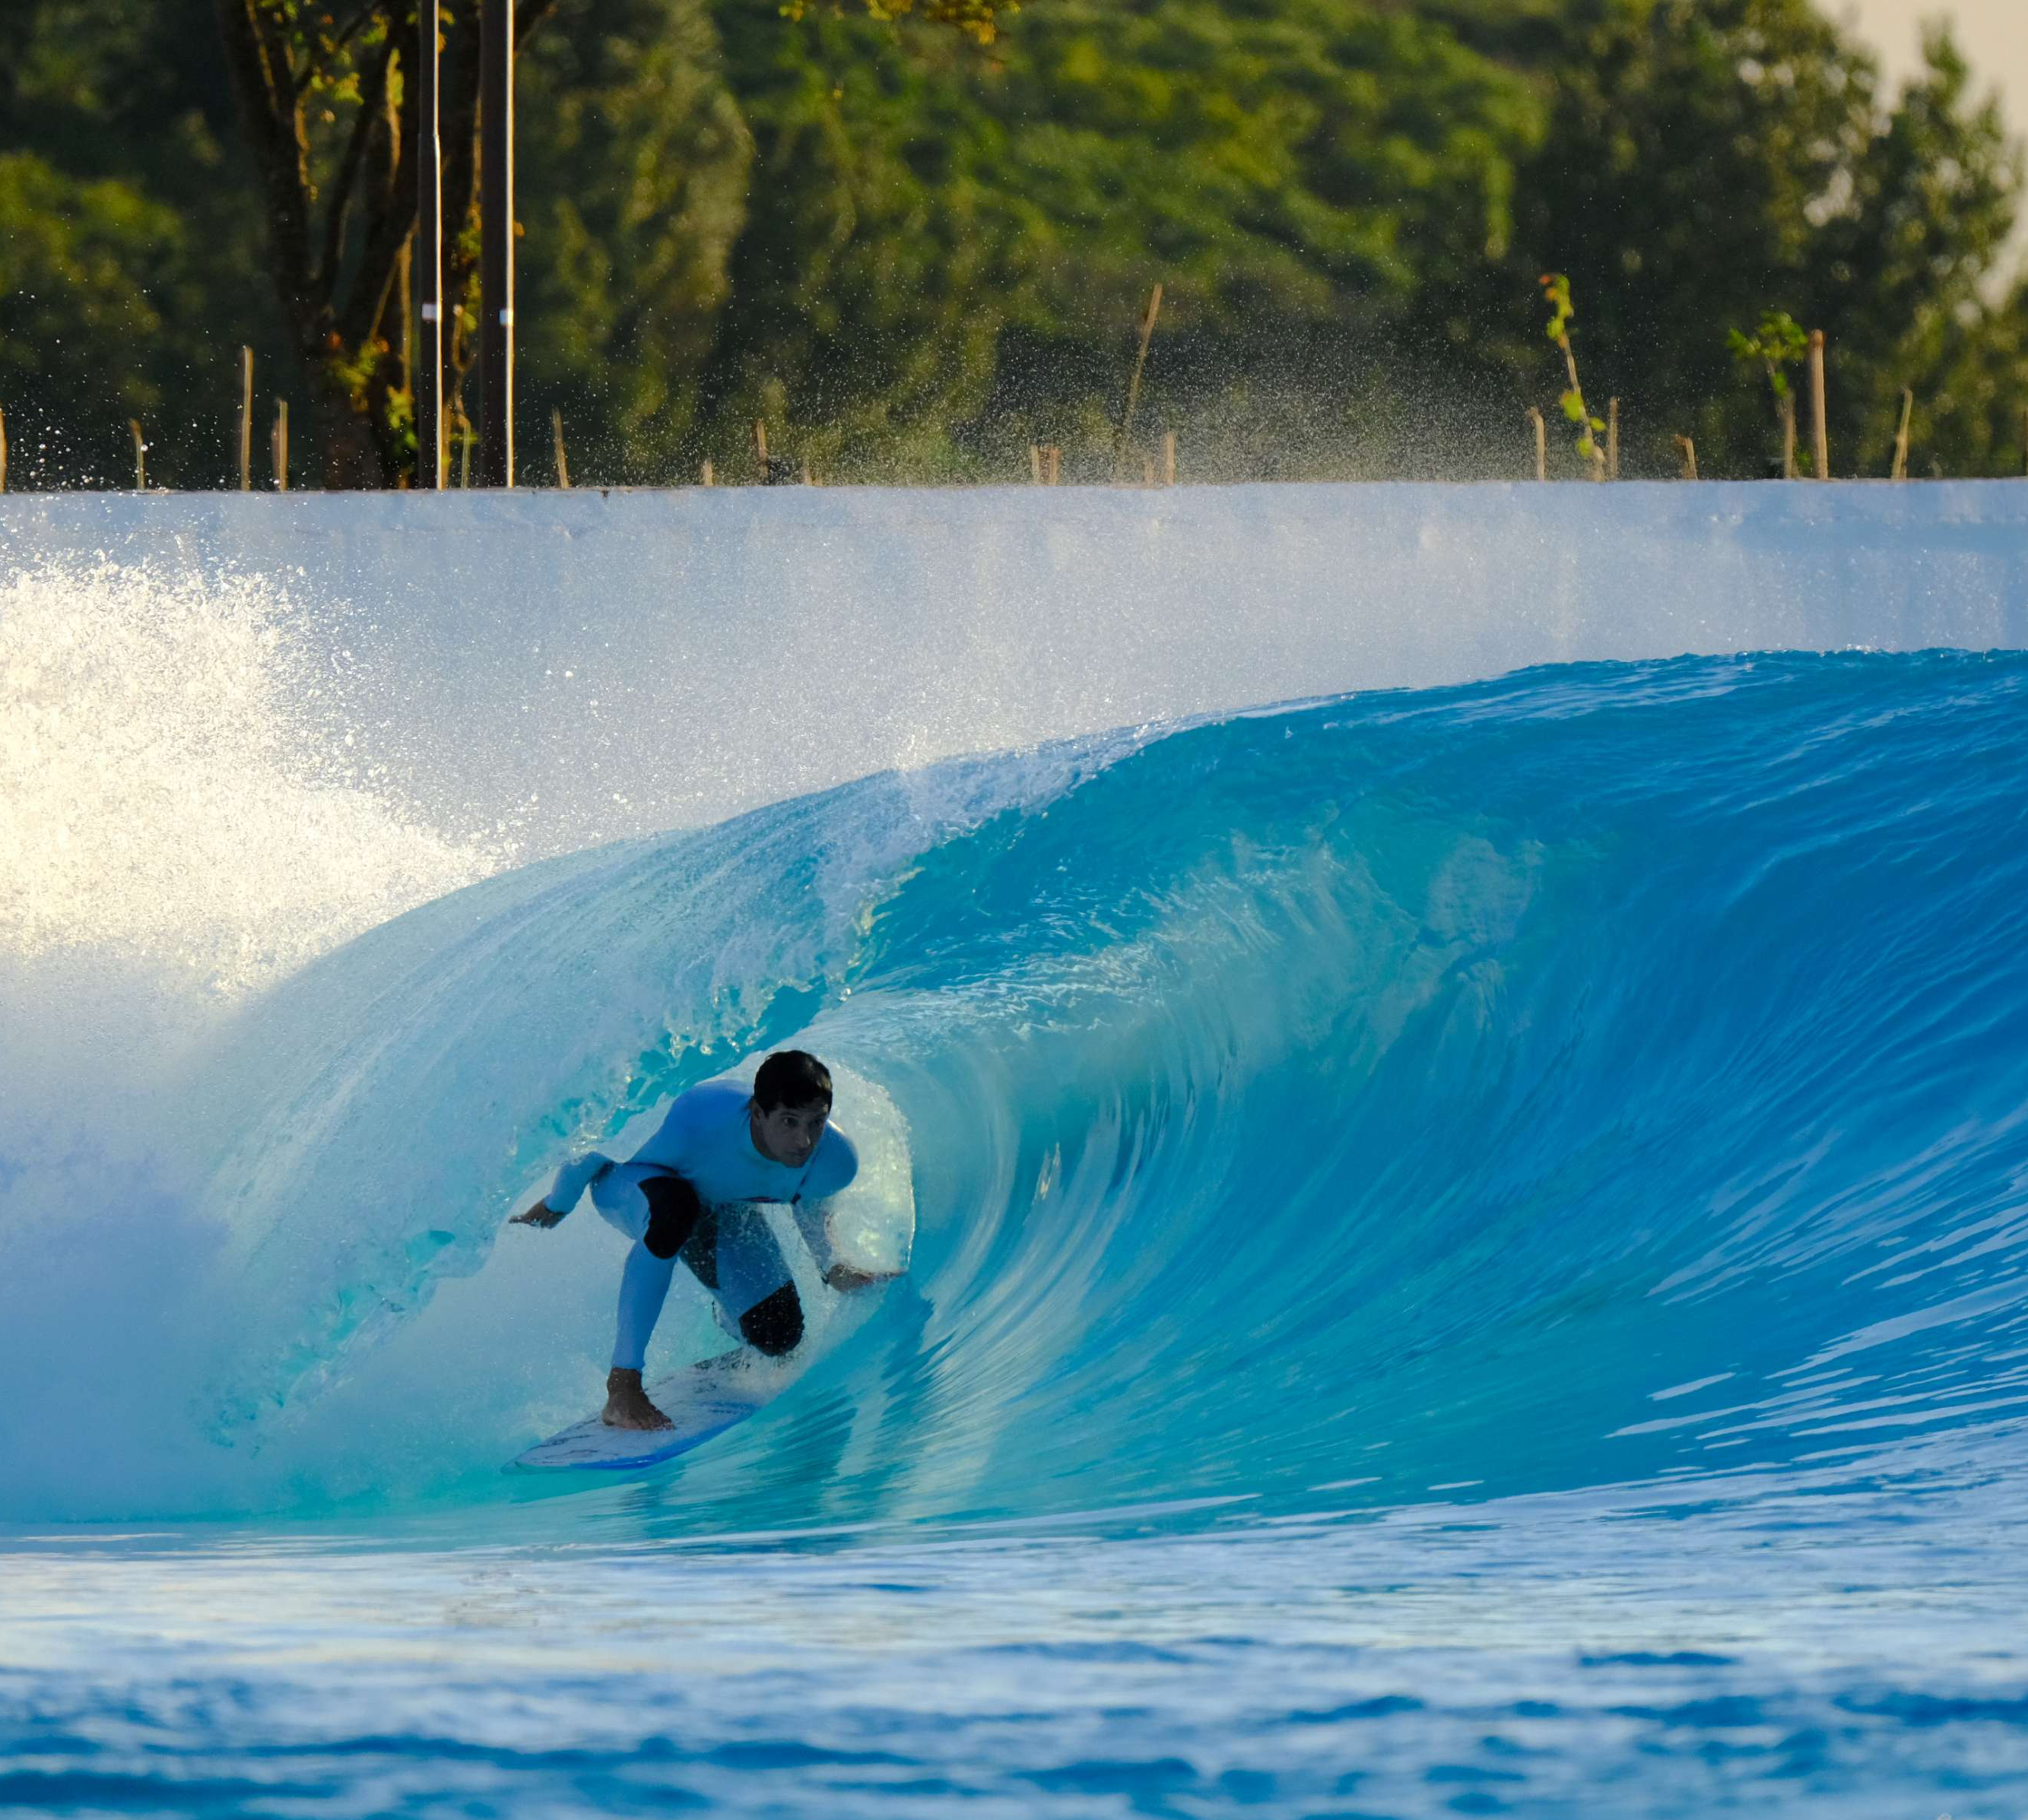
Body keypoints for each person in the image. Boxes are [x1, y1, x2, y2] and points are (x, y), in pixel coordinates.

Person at [511, 1049, 887, 1431]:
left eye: (816, 1123)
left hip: (715, 1205)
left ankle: (732, 1313)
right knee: (675, 1210)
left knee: (779, 1337)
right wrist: (558, 1203)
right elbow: (597, 1143)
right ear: (758, 1113)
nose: (804, 1140)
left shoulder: (834, 1160)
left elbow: (807, 1202)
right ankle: (623, 1387)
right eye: (789, 1122)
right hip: (629, 1183)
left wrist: (833, 1266)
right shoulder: (701, 1116)